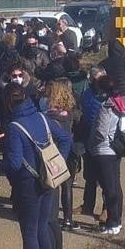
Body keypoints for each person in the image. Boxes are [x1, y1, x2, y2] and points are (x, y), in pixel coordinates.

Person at [0, 83, 71, 249]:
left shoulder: (14, 127)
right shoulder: (42, 117)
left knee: (29, 232)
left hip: (27, 184)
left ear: (9, 103)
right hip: (48, 181)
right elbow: (66, 138)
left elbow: (12, 164)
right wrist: (58, 163)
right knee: (42, 228)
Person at [89, 75, 125, 236]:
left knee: (109, 188)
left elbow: (101, 131)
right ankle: (116, 219)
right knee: (115, 185)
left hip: (104, 150)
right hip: (116, 149)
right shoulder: (123, 102)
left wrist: (93, 142)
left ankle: (113, 222)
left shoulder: (106, 107)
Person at [44, 80, 82, 233]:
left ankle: (49, 216)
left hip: (52, 153)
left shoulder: (47, 115)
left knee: (51, 185)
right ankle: (68, 219)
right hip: (69, 153)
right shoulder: (72, 114)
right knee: (67, 185)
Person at [76, 67, 107, 225]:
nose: (96, 82)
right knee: (90, 177)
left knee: (105, 178)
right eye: (93, 79)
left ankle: (106, 209)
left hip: (104, 142)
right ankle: (87, 205)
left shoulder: (108, 94)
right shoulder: (87, 93)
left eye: (99, 78)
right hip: (88, 138)